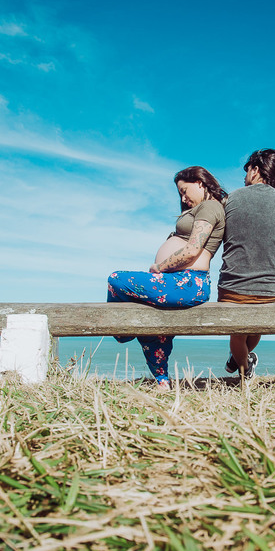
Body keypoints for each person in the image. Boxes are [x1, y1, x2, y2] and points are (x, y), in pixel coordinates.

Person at [107, 166, 227, 388]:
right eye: (180, 193)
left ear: (200, 183)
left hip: (189, 282)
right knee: (154, 326)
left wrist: (160, 267)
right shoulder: (203, 208)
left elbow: (193, 249)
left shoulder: (209, 206)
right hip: (181, 282)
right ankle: (162, 381)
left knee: (116, 279)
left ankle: (122, 333)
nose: (183, 197)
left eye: (184, 190)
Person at [218, 149, 275, 380]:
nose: (244, 178)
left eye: (246, 171)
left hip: (233, 289)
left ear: (255, 170)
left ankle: (243, 367)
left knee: (237, 332)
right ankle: (242, 360)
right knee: (255, 325)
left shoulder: (231, 199)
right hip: (272, 291)